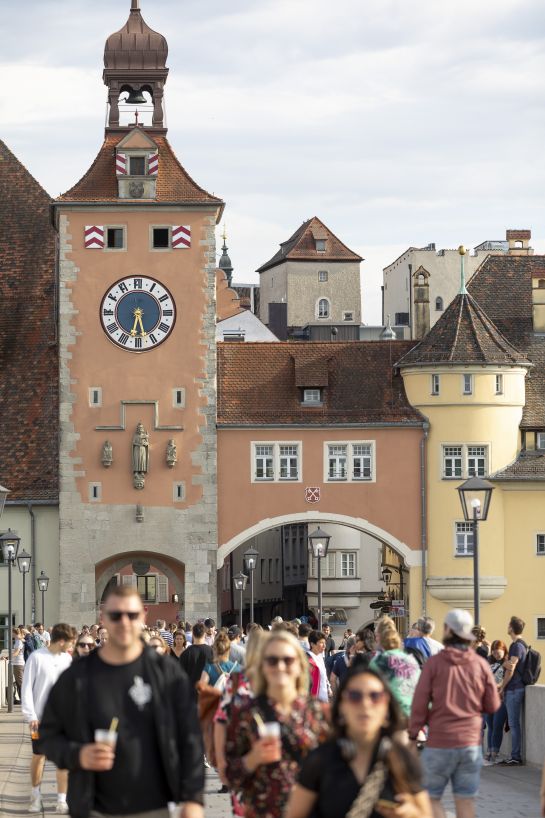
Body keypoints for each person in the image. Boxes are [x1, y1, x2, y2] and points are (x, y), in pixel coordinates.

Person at [38, 584, 205, 818]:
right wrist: (78, 754)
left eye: (132, 615)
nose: (124, 621)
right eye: (116, 615)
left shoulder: (166, 673)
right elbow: (47, 735)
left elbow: (190, 737)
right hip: (94, 808)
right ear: (103, 618)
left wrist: (193, 798)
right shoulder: (77, 676)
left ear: (143, 616)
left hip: (154, 807)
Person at [286, 662, 433, 818]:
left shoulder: (402, 759)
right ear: (342, 706)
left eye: (375, 696)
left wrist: (411, 814)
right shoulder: (320, 760)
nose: (365, 704)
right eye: (355, 696)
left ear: (386, 708)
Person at [225, 630, 329, 818]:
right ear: (263, 666)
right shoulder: (246, 713)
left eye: (287, 660)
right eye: (272, 660)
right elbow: (230, 776)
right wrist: (253, 759)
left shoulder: (317, 712)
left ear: (299, 665)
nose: (280, 666)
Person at [408, 609, 500, 818]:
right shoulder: (480, 665)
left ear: (447, 630)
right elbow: (493, 704)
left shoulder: (434, 664)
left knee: (429, 799)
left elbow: (419, 704)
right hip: (470, 744)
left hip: (440, 742)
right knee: (466, 803)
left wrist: (414, 733)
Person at [21, 623, 76, 814]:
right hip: (40, 719)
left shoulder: (67, 660)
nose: (72, 645)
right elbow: (26, 687)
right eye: (70, 642)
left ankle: (62, 799)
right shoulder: (36, 658)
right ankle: (35, 795)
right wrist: (30, 715)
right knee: (39, 757)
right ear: (61, 641)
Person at [370, 617, 420, 720]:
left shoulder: (379, 660)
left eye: (376, 636)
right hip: (414, 716)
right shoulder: (410, 659)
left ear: (379, 637)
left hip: (392, 717)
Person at [497, 615, 527, 766]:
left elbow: (511, 667)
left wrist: (502, 687)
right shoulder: (520, 644)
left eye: (508, 625)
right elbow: (509, 665)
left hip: (514, 689)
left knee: (514, 724)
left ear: (512, 628)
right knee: (514, 724)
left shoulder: (516, 646)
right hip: (516, 688)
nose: (507, 627)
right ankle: (514, 754)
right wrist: (507, 663)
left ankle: (516, 756)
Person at [483, 640, 508, 765]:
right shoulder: (488, 662)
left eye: (499, 653)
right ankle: (489, 753)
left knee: (497, 725)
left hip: (501, 698)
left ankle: (494, 753)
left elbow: (507, 679)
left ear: (504, 651)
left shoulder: (507, 663)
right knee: (491, 727)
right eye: (494, 653)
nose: (497, 655)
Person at [179, 622, 213, 698]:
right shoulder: (211, 651)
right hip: (207, 691)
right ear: (205, 634)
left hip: (190, 693)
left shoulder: (185, 653)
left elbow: (180, 676)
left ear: (193, 634)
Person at [308, 630, 331, 703]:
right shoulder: (307, 659)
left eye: (325, 643)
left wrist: (328, 687)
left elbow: (324, 675)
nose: (324, 646)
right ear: (312, 644)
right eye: (321, 643)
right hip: (313, 700)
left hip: (323, 697)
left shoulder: (320, 657)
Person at [12, 627, 25, 703]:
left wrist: (8, 657)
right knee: (19, 682)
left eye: (12, 632)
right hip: (18, 663)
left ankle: (24, 700)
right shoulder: (18, 640)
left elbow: (17, 652)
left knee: (20, 683)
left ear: (14, 633)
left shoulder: (18, 642)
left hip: (18, 664)